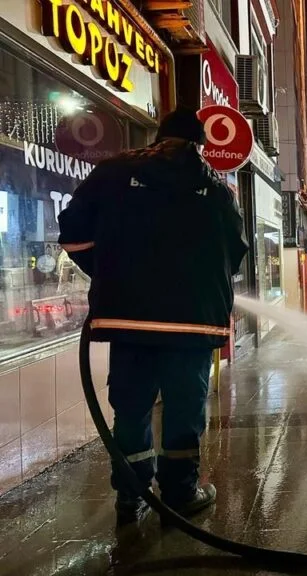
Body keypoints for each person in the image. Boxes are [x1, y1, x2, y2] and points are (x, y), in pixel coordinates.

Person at [58, 108, 248, 525]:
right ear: (200, 144)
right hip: (193, 323)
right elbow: (235, 251)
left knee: (130, 408)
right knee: (184, 410)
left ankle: (132, 494)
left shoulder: (111, 173)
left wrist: (110, 272)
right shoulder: (216, 188)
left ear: (158, 137)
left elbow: (71, 232)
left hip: (129, 320)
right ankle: (180, 495)